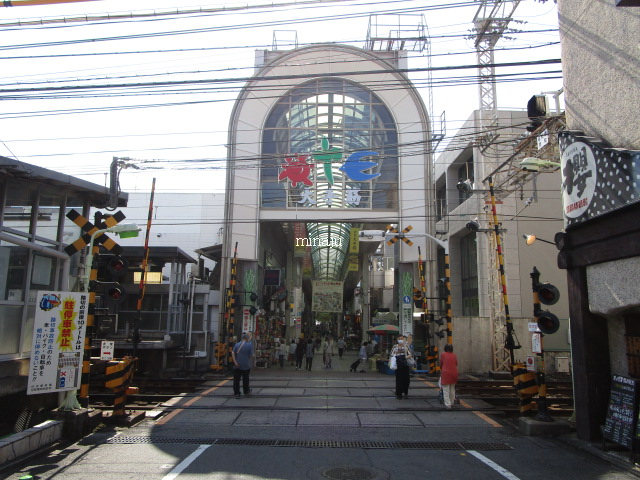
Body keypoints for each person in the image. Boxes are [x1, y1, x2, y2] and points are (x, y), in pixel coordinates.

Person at [389, 335, 413, 399]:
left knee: (406, 380)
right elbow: (391, 355)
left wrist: (404, 357)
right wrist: (396, 355)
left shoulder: (406, 346)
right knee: (399, 380)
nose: (400, 340)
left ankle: (405, 392)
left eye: (402, 338)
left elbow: (410, 354)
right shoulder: (395, 347)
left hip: (405, 364)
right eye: (399, 338)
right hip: (398, 365)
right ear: (397, 339)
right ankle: (399, 394)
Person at [232, 333, 255, 399]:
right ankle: (246, 391)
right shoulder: (249, 345)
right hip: (246, 365)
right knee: (245, 379)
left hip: (237, 365)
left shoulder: (237, 344)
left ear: (242, 338)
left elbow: (233, 352)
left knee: (236, 380)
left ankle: (237, 393)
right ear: (247, 338)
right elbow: (252, 355)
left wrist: (235, 362)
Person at [440, 344, 459, 409]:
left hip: (446, 374)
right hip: (454, 373)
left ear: (445, 348)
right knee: (452, 389)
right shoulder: (454, 355)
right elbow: (456, 363)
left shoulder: (443, 354)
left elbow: (441, 364)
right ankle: (452, 402)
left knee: (446, 390)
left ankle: (448, 404)